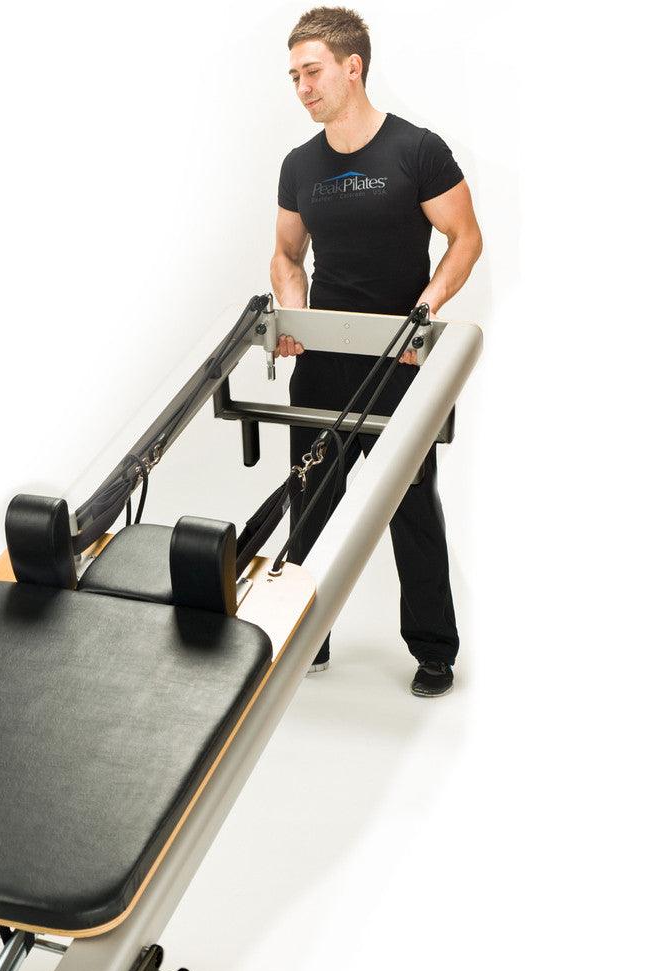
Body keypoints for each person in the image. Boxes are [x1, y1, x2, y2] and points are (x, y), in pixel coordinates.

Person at [270, 6, 482, 697]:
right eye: (294, 76)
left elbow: (466, 238)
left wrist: (427, 307)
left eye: (312, 72)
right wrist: (295, 315)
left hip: (400, 363)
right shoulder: (300, 165)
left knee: (410, 506)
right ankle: (308, 638)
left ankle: (434, 650)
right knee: (312, 499)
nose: (302, 87)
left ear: (352, 67)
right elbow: (286, 254)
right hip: (324, 363)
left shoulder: (417, 150)